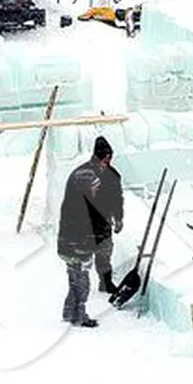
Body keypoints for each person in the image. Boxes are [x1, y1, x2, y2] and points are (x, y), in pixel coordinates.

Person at [57, 136, 118, 328]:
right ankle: (78, 316)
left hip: (71, 240)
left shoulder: (87, 175)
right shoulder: (84, 177)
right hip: (75, 242)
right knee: (81, 281)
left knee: (75, 278)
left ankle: (70, 313)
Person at [92, 137, 125, 294]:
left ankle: (105, 282)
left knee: (104, 252)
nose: (107, 160)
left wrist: (118, 218)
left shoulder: (114, 176)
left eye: (109, 157)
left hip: (104, 221)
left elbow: (118, 199)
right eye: (103, 157)